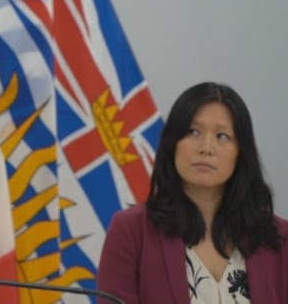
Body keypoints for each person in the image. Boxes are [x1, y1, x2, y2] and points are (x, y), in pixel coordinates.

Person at [97, 82, 288, 303]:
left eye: (222, 136)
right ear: (173, 143)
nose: (206, 147)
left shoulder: (279, 239)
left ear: (241, 152)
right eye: (193, 132)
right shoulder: (132, 231)